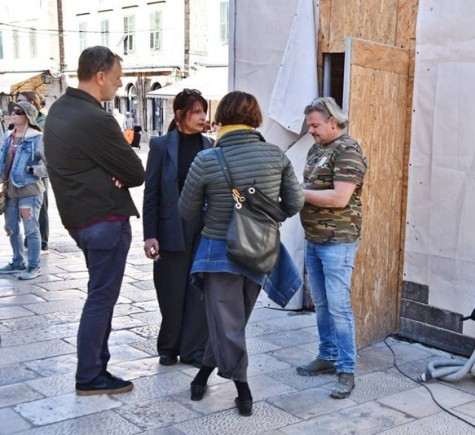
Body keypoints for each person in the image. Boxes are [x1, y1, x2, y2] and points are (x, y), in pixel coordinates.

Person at [178, 91, 304, 415]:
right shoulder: (275, 155)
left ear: (222, 116)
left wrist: (216, 213)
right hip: (260, 251)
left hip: (218, 252)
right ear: (254, 118)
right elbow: (295, 203)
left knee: (228, 323)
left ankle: (243, 390)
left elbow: (186, 211)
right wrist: (263, 217)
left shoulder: (207, 159)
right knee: (230, 323)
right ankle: (203, 376)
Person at [44, 46, 145, 396]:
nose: (118, 84)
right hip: (105, 218)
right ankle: (90, 374)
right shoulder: (96, 118)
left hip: (78, 220)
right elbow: (135, 172)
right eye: (116, 78)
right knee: (101, 298)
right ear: (100, 76)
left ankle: (98, 366)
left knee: (99, 294)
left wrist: (105, 169)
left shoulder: (59, 110)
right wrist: (111, 171)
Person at [295, 97, 368, 400]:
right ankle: (327, 355)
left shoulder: (348, 150)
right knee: (322, 304)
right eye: (309, 125)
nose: (310, 131)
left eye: (315, 125)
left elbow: (340, 198)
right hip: (314, 238)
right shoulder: (316, 149)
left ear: (332, 121)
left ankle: (346, 369)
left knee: (339, 306)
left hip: (338, 240)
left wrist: (299, 193)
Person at [143, 89, 211, 369]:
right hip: (170, 228)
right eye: (197, 112)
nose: (203, 117)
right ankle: (168, 347)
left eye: (204, 111)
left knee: (198, 291)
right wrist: (149, 235)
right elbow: (151, 193)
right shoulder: (161, 146)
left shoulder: (210, 145)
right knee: (170, 291)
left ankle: (192, 349)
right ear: (180, 114)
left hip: (203, 230)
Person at [0, 101, 47, 280]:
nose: (13, 113)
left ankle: (34, 266)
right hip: (10, 189)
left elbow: (52, 165)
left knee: (31, 229)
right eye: (12, 111)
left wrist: (33, 170)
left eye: (18, 112)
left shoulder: (37, 138)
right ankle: (17, 261)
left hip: (30, 190)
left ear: (28, 116)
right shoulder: (8, 136)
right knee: (11, 227)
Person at [16, 91, 49, 252]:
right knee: (25, 206)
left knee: (40, 206)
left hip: (38, 168)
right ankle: (30, 240)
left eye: (21, 101)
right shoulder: (19, 121)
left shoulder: (43, 121)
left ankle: (42, 241)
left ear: (31, 103)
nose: (18, 104)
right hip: (22, 170)